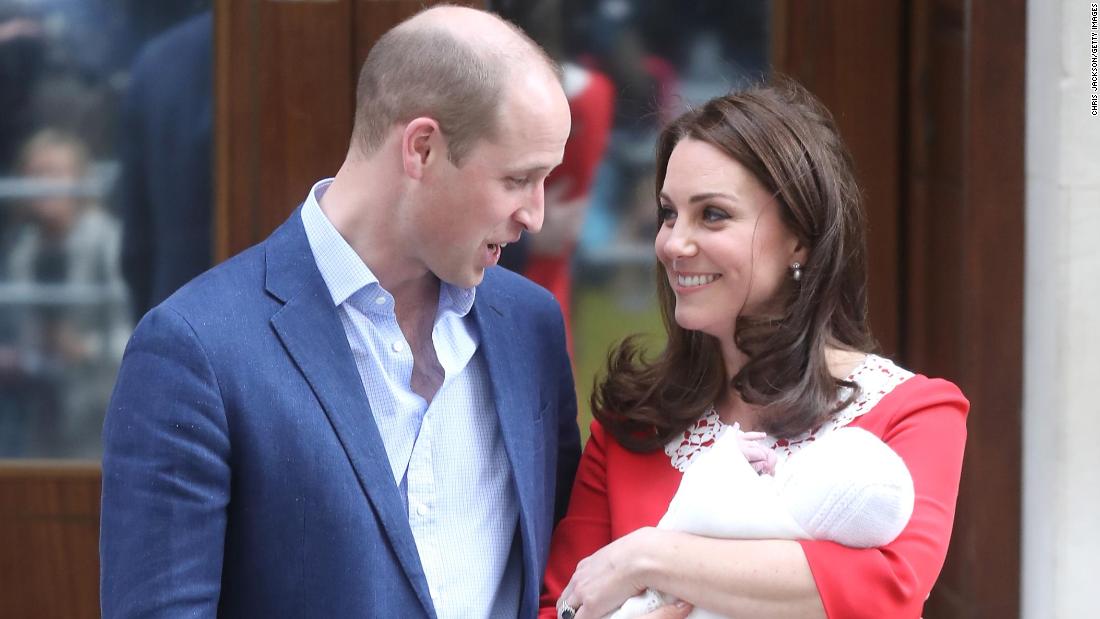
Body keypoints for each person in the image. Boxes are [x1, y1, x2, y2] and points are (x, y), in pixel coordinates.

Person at [100, 7, 582, 618]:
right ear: (423, 148)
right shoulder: (195, 351)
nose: (535, 215)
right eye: (518, 179)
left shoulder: (531, 328)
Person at [541, 79, 969, 619]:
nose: (673, 243)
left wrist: (647, 557)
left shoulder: (913, 412)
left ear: (800, 238)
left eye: (712, 214)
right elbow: (559, 605)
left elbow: (887, 589)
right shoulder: (632, 424)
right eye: (669, 213)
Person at [3, 129, 129, 456]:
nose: (45, 185)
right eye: (36, 174)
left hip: (100, 416)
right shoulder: (23, 250)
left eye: (55, 173)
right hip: (41, 420)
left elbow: (142, 332)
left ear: (80, 181)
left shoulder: (108, 242)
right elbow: (21, 330)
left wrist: (84, 349)